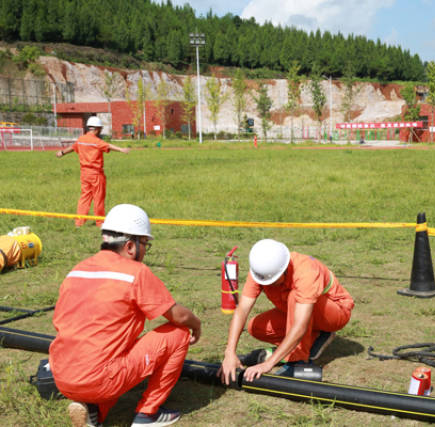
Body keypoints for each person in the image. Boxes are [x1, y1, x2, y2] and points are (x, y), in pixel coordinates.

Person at [49, 204, 201, 427]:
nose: (145, 251)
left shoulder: (77, 270)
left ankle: (93, 410)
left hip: (62, 375)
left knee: (109, 354)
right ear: (130, 246)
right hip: (99, 377)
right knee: (178, 333)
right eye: (145, 244)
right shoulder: (135, 273)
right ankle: (148, 414)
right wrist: (196, 324)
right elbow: (178, 316)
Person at [218, 239, 354, 384]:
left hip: (335, 314)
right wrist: (230, 352)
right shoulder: (260, 271)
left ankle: (298, 360)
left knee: (294, 296)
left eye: (272, 281)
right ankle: (316, 338)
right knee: (255, 327)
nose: (268, 285)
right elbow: (242, 310)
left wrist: (268, 364)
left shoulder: (305, 272)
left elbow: (300, 325)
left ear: (284, 270)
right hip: (301, 313)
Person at [56, 116, 130, 227]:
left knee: (84, 197)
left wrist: (62, 153)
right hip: (96, 174)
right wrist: (121, 149)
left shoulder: (81, 139)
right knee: (98, 198)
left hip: (84, 173)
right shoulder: (96, 141)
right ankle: (100, 222)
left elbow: (72, 148)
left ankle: (79, 222)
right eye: (100, 128)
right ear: (97, 128)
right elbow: (108, 145)